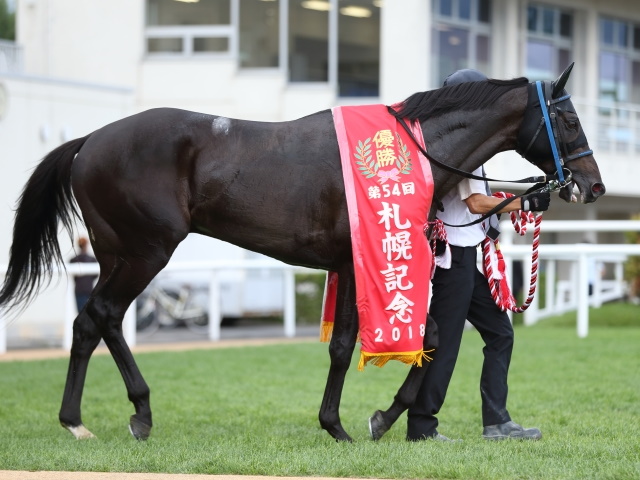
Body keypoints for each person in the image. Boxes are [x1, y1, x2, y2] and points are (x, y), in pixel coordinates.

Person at [406, 69, 551, 442]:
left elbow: (481, 200)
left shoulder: (469, 144)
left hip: (469, 256)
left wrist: (522, 194)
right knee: (447, 344)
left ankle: (497, 422)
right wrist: (524, 200)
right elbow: (475, 202)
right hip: (454, 260)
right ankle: (421, 428)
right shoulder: (461, 146)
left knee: (501, 333)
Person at [69, 236, 97, 313]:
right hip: (88, 289)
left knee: (80, 313)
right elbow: (95, 275)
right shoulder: (92, 260)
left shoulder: (73, 260)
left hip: (79, 290)